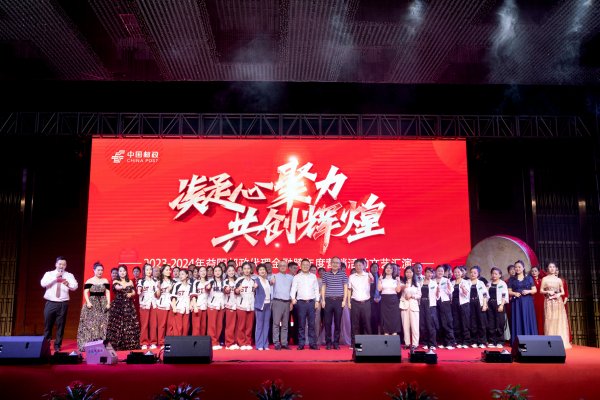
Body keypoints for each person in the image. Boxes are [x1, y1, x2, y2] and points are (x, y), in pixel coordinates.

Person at [41, 256, 79, 352]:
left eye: (64, 264)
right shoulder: (49, 274)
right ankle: (46, 345)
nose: (61, 266)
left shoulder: (69, 275)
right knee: (48, 325)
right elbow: (43, 283)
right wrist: (55, 277)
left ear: (66, 266)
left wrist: (68, 284)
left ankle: (57, 346)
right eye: (60, 264)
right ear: (56, 264)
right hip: (50, 303)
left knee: (60, 326)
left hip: (63, 303)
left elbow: (75, 286)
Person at [106, 265, 140, 350]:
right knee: (117, 325)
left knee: (129, 325)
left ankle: (130, 344)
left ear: (126, 272)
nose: (122, 273)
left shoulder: (130, 281)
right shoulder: (116, 281)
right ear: (118, 272)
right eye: (120, 271)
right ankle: (116, 344)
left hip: (128, 305)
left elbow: (134, 292)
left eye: (124, 271)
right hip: (118, 306)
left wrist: (131, 294)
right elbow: (117, 288)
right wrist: (124, 286)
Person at [76, 261, 109, 351]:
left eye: (101, 270)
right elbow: (85, 292)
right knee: (92, 324)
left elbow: (107, 292)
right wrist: (88, 302)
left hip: (103, 303)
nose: (100, 272)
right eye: (98, 270)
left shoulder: (105, 280)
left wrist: (108, 303)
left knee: (102, 323)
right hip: (92, 303)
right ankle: (90, 344)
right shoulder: (89, 281)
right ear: (94, 270)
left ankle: (102, 343)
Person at [290, 258, 320, 350]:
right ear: (301, 265)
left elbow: (316, 289)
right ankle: (301, 344)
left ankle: (312, 343)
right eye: (304, 265)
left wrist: (317, 301)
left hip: (311, 303)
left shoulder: (313, 276)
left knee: (311, 324)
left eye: (307, 265)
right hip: (301, 303)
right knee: (301, 324)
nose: (305, 266)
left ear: (309, 266)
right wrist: (293, 298)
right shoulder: (297, 277)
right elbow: (293, 288)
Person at [540, 262, 571, 349]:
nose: (552, 268)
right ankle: (550, 342)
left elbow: (563, 292)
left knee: (558, 319)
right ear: (547, 269)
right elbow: (541, 290)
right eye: (550, 267)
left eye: (553, 267)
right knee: (549, 320)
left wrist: (559, 294)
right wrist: (548, 292)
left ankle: (560, 341)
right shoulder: (544, 279)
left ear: (556, 268)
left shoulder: (559, 280)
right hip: (549, 301)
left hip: (558, 301)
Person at [321, 256, 348, 350]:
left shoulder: (343, 274)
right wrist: (323, 300)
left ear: (340, 264)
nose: (335, 264)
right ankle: (328, 343)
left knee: (337, 322)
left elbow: (345, 287)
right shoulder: (325, 274)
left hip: (339, 301)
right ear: (330, 263)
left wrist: (344, 300)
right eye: (333, 262)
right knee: (327, 323)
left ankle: (336, 343)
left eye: (337, 263)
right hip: (328, 300)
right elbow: (323, 287)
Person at [507, 260, 538, 343]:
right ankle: (518, 341)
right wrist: (514, 293)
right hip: (516, 302)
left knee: (527, 318)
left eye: (519, 267)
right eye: (516, 267)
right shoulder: (512, 279)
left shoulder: (529, 278)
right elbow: (508, 291)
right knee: (517, 319)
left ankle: (530, 340)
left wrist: (528, 291)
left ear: (523, 268)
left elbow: (534, 290)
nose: (517, 269)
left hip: (527, 302)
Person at [348, 258, 374, 347]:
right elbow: (349, 289)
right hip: (355, 302)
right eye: (356, 265)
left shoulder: (368, 275)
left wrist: (371, 278)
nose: (358, 267)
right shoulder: (351, 277)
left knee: (367, 323)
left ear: (364, 266)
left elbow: (372, 281)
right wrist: (349, 302)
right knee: (355, 324)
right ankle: (355, 344)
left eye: (360, 265)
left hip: (366, 303)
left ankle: (368, 344)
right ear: (354, 266)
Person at [271, 260, 294, 350]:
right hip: (277, 302)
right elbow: (270, 285)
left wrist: (291, 302)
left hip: (287, 302)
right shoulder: (274, 276)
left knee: (285, 324)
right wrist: (271, 282)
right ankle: (276, 342)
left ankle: (284, 343)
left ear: (287, 267)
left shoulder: (291, 277)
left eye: (284, 265)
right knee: (276, 323)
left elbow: (292, 291)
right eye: (281, 265)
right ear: (278, 267)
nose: (283, 267)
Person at [235, 262, 256, 350]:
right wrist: (238, 290)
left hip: (251, 306)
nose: (247, 270)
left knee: (249, 326)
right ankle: (241, 343)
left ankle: (248, 342)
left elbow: (255, 293)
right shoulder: (239, 280)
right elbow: (235, 292)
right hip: (241, 305)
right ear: (242, 270)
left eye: (248, 268)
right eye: (245, 269)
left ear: (251, 270)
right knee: (241, 326)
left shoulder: (254, 281)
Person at [486, 267, 508, 348]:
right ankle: (492, 341)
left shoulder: (502, 284)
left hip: (499, 304)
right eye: (492, 273)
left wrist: (502, 305)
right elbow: (485, 294)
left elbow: (504, 295)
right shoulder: (489, 283)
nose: (494, 275)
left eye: (496, 274)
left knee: (500, 323)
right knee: (491, 323)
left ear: (500, 275)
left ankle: (500, 341)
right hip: (490, 304)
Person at [434, 265, 456, 349]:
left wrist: (449, 285)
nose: (440, 272)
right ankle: (443, 341)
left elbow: (450, 291)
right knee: (439, 322)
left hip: (445, 302)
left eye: (442, 271)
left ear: (444, 272)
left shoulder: (446, 280)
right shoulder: (432, 281)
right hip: (435, 303)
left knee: (447, 321)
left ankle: (450, 342)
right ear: (435, 272)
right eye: (438, 271)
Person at [378, 263, 402, 336]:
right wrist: (379, 280)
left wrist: (398, 281)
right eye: (387, 268)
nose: (388, 269)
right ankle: (386, 332)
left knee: (394, 316)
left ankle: (394, 332)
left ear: (393, 270)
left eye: (390, 268)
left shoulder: (395, 280)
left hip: (393, 299)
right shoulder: (382, 279)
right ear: (384, 269)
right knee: (385, 316)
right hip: (384, 300)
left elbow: (398, 290)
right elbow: (379, 289)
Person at [137, 263, 158, 349]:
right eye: (147, 270)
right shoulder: (141, 281)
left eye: (150, 269)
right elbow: (139, 290)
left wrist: (159, 290)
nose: (149, 271)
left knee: (153, 324)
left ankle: (153, 342)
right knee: (144, 324)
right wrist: (140, 290)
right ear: (144, 271)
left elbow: (157, 293)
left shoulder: (155, 281)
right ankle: (144, 343)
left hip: (153, 304)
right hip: (144, 304)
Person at [468, 266, 488, 349]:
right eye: (471, 272)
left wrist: (484, 304)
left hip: (479, 303)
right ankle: (474, 341)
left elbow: (485, 294)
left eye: (475, 273)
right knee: (473, 323)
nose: (472, 274)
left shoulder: (481, 283)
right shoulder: (466, 282)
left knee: (481, 323)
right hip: (470, 303)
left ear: (478, 274)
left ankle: (482, 341)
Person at [400, 266, 420, 349]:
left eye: (410, 272)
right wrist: (404, 286)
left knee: (415, 326)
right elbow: (399, 290)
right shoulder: (402, 283)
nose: (408, 274)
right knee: (405, 326)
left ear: (413, 273)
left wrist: (412, 296)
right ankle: (407, 343)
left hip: (413, 306)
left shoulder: (416, 283)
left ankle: (415, 344)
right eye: (407, 272)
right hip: (404, 305)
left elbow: (419, 295)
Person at [450, 266, 471, 348]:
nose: (457, 273)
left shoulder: (465, 282)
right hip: (454, 304)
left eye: (458, 272)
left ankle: (466, 341)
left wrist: (463, 288)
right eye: (455, 272)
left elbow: (467, 294)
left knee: (465, 322)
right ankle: (458, 341)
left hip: (463, 303)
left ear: (462, 273)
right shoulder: (452, 282)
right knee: (456, 322)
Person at [206, 265, 225, 350]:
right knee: (212, 325)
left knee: (219, 325)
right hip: (212, 305)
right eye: (216, 271)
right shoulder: (210, 281)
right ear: (213, 273)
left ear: (222, 272)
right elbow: (207, 289)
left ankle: (216, 341)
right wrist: (208, 287)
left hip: (221, 306)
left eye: (219, 271)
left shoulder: (224, 282)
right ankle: (212, 343)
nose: (217, 272)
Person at [254, 264, 272, 351]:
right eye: (260, 270)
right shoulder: (256, 280)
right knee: (259, 326)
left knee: (266, 325)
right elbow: (253, 290)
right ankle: (259, 344)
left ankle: (265, 344)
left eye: (263, 269)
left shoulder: (267, 281)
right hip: (260, 305)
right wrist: (254, 287)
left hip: (268, 304)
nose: (262, 271)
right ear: (258, 271)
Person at [155, 264, 173, 348]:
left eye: (169, 269)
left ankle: (169, 342)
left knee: (170, 325)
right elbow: (157, 296)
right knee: (162, 325)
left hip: (170, 305)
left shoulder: (172, 281)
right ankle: (161, 343)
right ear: (162, 271)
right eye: (167, 270)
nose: (169, 271)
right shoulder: (158, 281)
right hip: (162, 305)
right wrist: (159, 288)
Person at [419, 267, 438, 350]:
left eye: (431, 273)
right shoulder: (420, 282)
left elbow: (437, 296)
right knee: (423, 324)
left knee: (431, 324)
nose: (429, 274)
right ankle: (425, 342)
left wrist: (438, 292)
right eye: (428, 272)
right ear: (425, 273)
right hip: (421, 303)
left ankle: (432, 343)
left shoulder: (434, 283)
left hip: (430, 304)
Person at [170, 268, 191, 336]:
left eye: (182, 274)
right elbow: (173, 297)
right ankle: (177, 341)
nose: (180, 276)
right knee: (178, 327)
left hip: (187, 308)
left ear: (187, 275)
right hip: (178, 308)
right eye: (180, 274)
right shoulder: (177, 285)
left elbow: (192, 297)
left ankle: (184, 341)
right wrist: (174, 307)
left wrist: (191, 306)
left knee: (186, 327)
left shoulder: (190, 286)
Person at [223, 265, 239, 349]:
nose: (231, 272)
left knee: (237, 325)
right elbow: (225, 290)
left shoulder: (238, 280)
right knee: (230, 325)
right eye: (229, 271)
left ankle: (235, 342)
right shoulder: (225, 281)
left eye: (233, 270)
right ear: (226, 272)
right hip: (229, 305)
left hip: (239, 305)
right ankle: (229, 343)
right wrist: (227, 289)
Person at [191, 266, 209, 336]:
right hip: (197, 307)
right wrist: (195, 306)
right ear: (198, 273)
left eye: (204, 270)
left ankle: (202, 342)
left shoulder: (208, 282)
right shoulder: (196, 282)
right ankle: (195, 342)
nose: (203, 272)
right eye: (201, 271)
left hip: (205, 307)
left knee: (203, 327)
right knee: (196, 327)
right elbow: (193, 295)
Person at [530, 266, 546, 335]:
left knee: (541, 317)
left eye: (535, 271)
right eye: (532, 271)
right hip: (532, 300)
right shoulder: (529, 281)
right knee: (534, 316)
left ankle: (541, 333)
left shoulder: (542, 280)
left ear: (539, 272)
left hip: (541, 300)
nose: (534, 272)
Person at [369, 262, 382, 335]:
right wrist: (373, 298)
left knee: (379, 318)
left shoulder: (381, 277)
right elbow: (367, 289)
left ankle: (379, 334)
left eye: (376, 267)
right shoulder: (369, 277)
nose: (375, 268)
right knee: (373, 318)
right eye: (373, 267)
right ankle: (373, 334)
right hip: (371, 301)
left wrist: (380, 297)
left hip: (380, 301)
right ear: (370, 268)